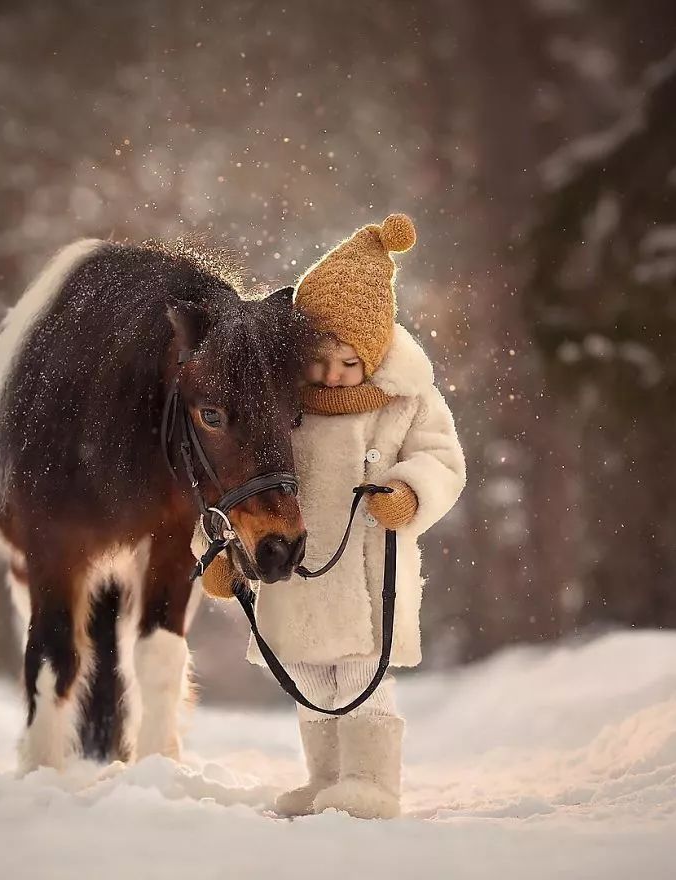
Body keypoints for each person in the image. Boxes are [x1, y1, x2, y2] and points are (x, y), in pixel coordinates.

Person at [197, 214, 466, 819]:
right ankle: (325, 782)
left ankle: (370, 783)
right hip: (293, 566)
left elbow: (443, 459)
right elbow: (235, 477)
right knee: (311, 684)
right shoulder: (275, 400)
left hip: (367, 566)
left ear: (374, 351)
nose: (332, 374)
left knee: (361, 681)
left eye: (349, 360)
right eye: (320, 359)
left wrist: (409, 492)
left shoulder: (406, 400)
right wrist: (216, 554)